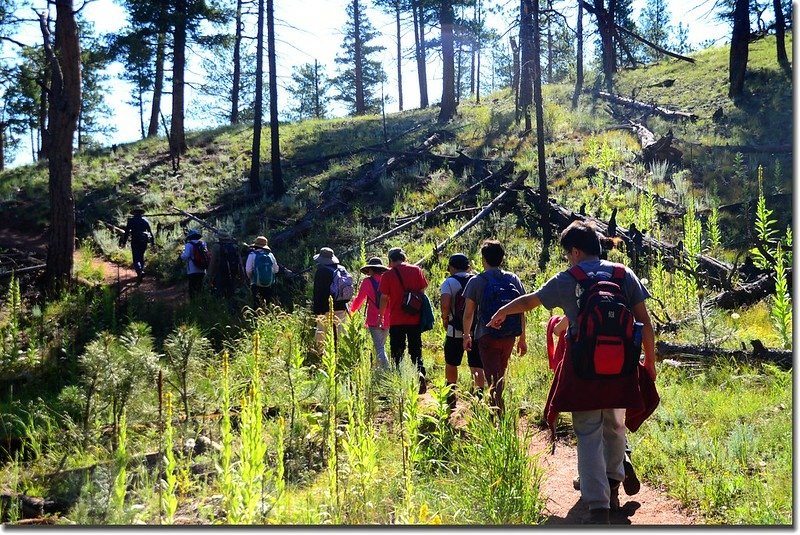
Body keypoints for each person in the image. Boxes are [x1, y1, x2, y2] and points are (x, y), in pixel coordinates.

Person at [487, 220, 657, 525]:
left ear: (576, 251)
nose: (568, 258)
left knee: (588, 431)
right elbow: (645, 323)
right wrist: (651, 364)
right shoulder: (623, 274)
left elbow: (531, 301)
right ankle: (614, 478)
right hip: (622, 365)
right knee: (616, 424)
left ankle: (598, 505)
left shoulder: (569, 277)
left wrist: (502, 312)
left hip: (584, 367)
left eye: (568, 253)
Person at [461, 240, 527, 414]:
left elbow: (469, 313)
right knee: (499, 374)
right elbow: (522, 310)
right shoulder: (513, 279)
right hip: (510, 334)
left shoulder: (477, 281)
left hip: (487, 334)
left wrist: (466, 336)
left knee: (492, 378)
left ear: (483, 259)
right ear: (502, 258)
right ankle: (498, 412)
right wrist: (522, 338)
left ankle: (497, 416)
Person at [377, 247, 429, 394]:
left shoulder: (387, 275)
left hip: (396, 320)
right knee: (416, 350)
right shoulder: (416, 270)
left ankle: (399, 380)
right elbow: (422, 291)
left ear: (390, 261)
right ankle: (420, 373)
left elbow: (384, 297)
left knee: (397, 351)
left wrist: (381, 315)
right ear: (404, 258)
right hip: (414, 318)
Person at [439, 253, 485, 413]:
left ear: (451, 267)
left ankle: (451, 396)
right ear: (468, 266)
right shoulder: (478, 280)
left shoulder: (449, 282)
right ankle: (479, 398)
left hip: (454, 330)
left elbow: (445, 304)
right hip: (476, 330)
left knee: (452, 363)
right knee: (477, 365)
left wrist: (445, 319)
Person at [349, 257, 391, 370]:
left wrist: (351, 312)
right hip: (388, 318)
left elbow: (359, 299)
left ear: (371, 270)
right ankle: (379, 370)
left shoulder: (367, 282)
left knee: (379, 347)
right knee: (381, 346)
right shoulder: (387, 280)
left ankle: (387, 370)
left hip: (374, 318)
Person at [312, 247, 351, 350]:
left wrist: (317, 311)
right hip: (342, 305)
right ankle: (340, 353)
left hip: (326, 307)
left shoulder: (322, 271)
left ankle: (319, 354)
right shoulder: (341, 269)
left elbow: (318, 293)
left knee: (321, 332)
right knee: (340, 332)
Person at [119, 207, 154, 284]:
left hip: (135, 240)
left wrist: (124, 243)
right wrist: (152, 244)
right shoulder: (145, 220)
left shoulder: (131, 221)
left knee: (136, 257)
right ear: (141, 213)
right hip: (144, 240)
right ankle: (141, 271)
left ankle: (139, 272)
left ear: (134, 213)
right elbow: (150, 233)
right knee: (141, 256)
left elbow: (127, 232)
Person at [245, 236, 279, 308]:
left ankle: (257, 318)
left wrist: (251, 278)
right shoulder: (270, 255)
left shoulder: (252, 255)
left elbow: (248, 270)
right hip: (269, 284)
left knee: (257, 305)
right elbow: (276, 270)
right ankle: (268, 317)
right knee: (268, 304)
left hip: (256, 284)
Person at [180, 229, 208, 298]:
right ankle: (201, 303)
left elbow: (185, 256)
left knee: (192, 289)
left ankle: (193, 304)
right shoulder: (203, 243)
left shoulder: (188, 245)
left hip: (192, 270)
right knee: (200, 288)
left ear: (190, 237)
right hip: (202, 269)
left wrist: (181, 256)